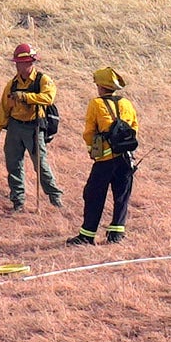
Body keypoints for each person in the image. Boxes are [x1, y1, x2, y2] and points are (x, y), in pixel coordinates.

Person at [0, 43, 64, 212]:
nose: (20, 66)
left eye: (24, 62)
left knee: (40, 165)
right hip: (15, 128)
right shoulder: (11, 85)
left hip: (34, 128)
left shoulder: (43, 80)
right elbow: (4, 108)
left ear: (31, 63)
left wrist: (25, 97)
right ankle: (18, 201)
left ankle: (55, 197)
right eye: (18, 63)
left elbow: (48, 98)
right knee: (13, 165)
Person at [74, 63, 137, 243]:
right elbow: (134, 127)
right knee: (121, 195)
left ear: (101, 86)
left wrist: (93, 150)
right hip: (126, 158)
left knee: (93, 194)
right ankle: (116, 234)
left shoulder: (96, 104)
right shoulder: (127, 103)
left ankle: (87, 236)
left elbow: (89, 132)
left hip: (105, 160)